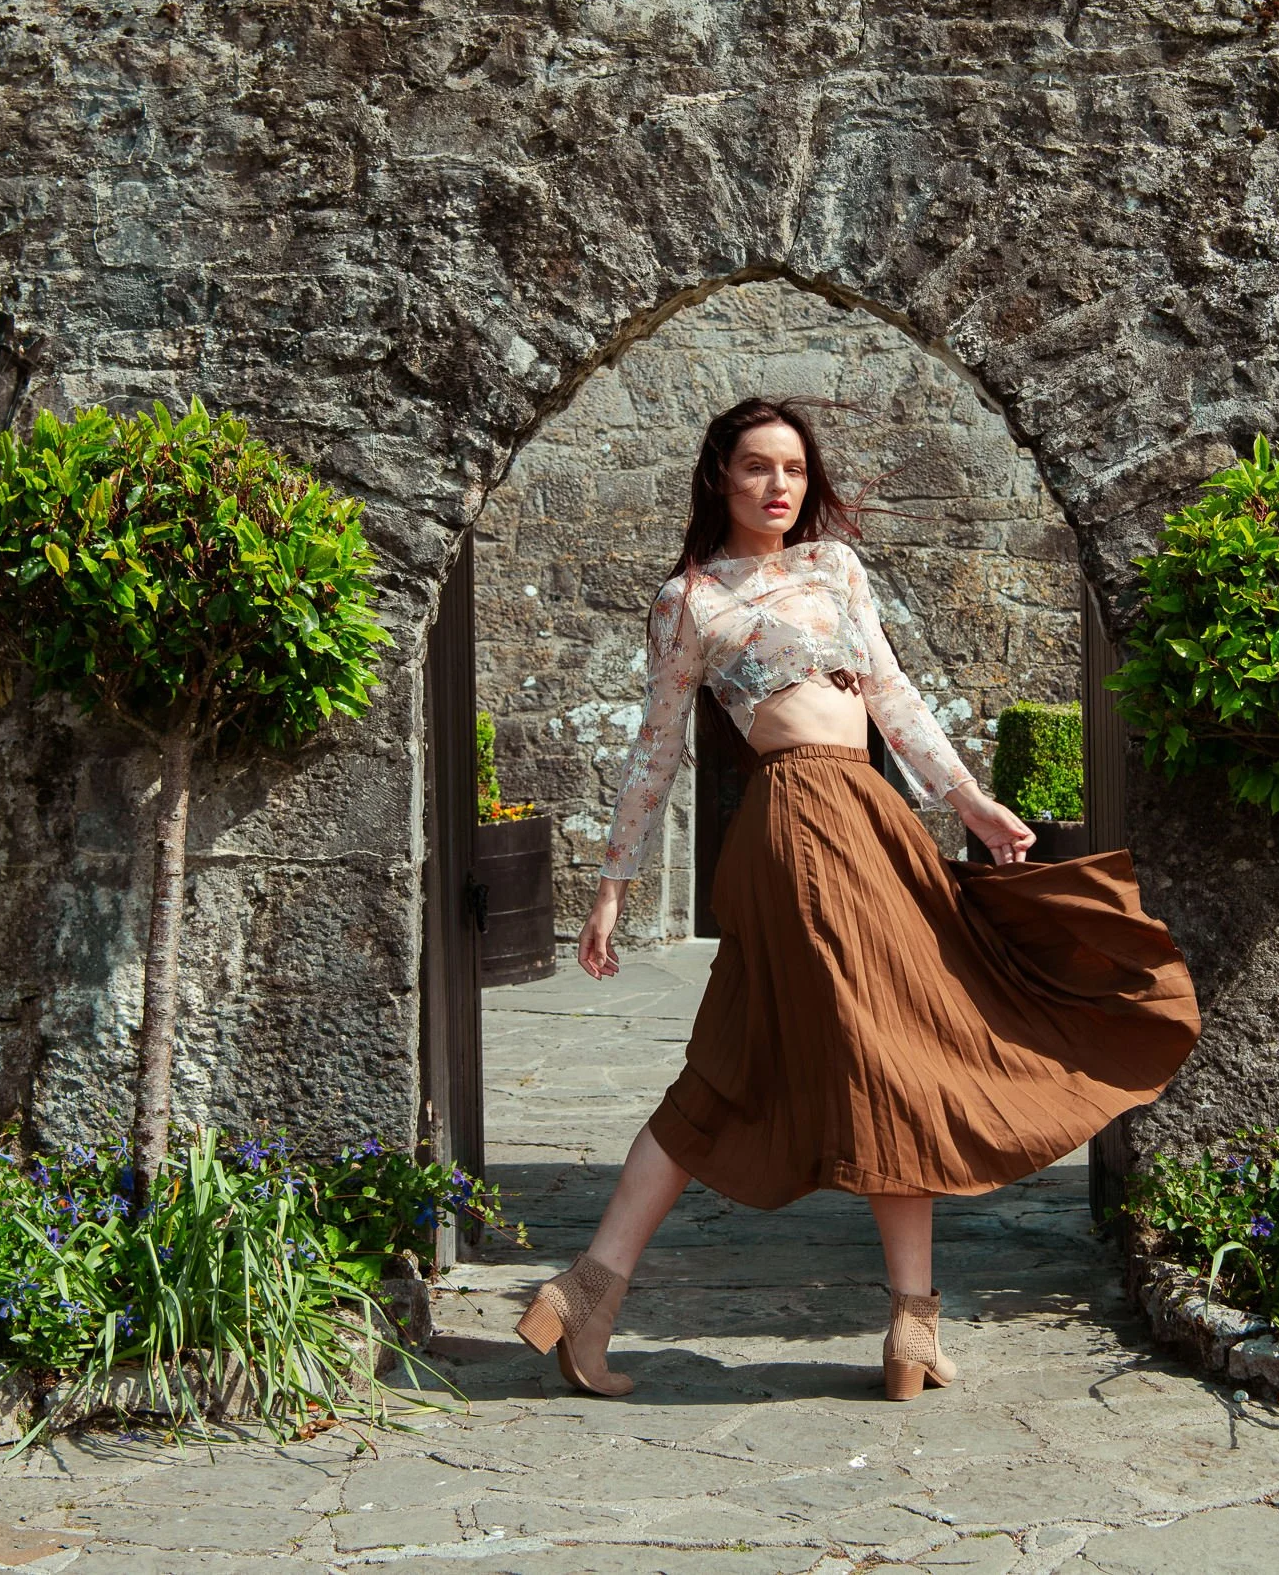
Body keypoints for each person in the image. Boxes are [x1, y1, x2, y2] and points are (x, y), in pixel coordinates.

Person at [514, 397, 1201, 1401]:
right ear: (719, 476)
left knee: (837, 1054)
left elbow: (892, 694)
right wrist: (611, 886)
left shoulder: (835, 567)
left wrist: (968, 799)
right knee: (886, 1050)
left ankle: (594, 1291)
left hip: (870, 817)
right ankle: (905, 1324)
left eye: (791, 467)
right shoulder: (689, 601)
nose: (776, 485)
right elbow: (653, 754)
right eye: (755, 467)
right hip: (794, 824)